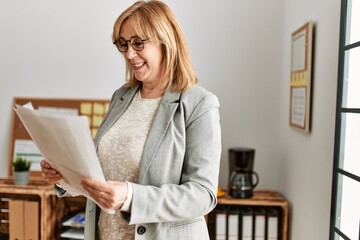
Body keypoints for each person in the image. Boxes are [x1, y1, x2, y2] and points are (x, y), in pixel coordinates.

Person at [40, 0, 221, 239]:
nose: (129, 54)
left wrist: (131, 197)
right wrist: (66, 177)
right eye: (123, 45)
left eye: (138, 43)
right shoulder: (121, 97)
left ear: (165, 40)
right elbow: (103, 175)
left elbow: (202, 195)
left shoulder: (199, 104)